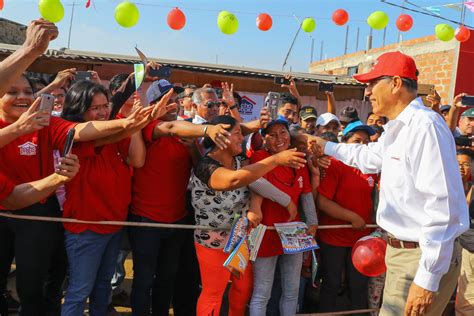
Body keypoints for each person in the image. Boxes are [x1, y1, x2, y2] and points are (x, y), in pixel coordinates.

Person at [310, 51, 468, 316]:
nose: (367, 92)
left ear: (395, 84)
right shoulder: (399, 128)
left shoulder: (425, 127)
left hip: (419, 257)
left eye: (373, 84)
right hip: (403, 254)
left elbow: (442, 205)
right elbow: (369, 157)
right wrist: (326, 146)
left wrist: (427, 279)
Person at [128, 80, 231, 315]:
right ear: (154, 104)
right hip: (145, 220)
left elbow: (199, 171)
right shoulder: (148, 127)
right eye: (167, 100)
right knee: (144, 280)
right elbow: (169, 129)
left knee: (167, 278)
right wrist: (207, 129)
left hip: (177, 219)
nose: (173, 105)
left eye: (175, 100)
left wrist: (194, 149)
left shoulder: (187, 133)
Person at [191, 115, 307, 315]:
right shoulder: (205, 166)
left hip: (239, 240)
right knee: (213, 293)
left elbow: (254, 182)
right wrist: (277, 159)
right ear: (221, 138)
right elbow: (234, 180)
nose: (242, 138)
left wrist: (257, 204)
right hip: (213, 242)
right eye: (237, 134)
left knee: (243, 289)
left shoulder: (240, 160)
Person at [59, 80, 154, 315]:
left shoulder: (113, 129)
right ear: (79, 109)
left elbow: (137, 159)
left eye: (105, 106)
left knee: (103, 287)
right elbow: (98, 137)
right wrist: (129, 122)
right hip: (86, 228)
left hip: (114, 224)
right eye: (95, 108)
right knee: (80, 291)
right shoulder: (72, 134)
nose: (103, 112)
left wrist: (134, 122)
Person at [248, 118, 318, 316]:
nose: (279, 138)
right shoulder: (259, 157)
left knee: (292, 291)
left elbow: (305, 193)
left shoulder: (298, 158)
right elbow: (254, 180)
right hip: (266, 233)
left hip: (293, 234)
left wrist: (313, 221)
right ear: (264, 139)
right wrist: (286, 200)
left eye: (283, 132)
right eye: (272, 134)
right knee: (262, 293)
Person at [316, 121, 378, 314]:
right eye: (356, 140)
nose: (361, 145)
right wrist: (351, 217)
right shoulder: (335, 164)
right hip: (334, 237)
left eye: (366, 142)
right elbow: (322, 201)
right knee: (332, 285)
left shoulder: (372, 168)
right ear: (344, 142)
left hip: (361, 239)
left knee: (358, 286)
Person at [455, 148, 474, 316]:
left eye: (466, 164)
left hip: (468, 246)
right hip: (453, 246)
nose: (461, 167)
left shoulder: (472, 188)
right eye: (458, 163)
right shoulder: (445, 187)